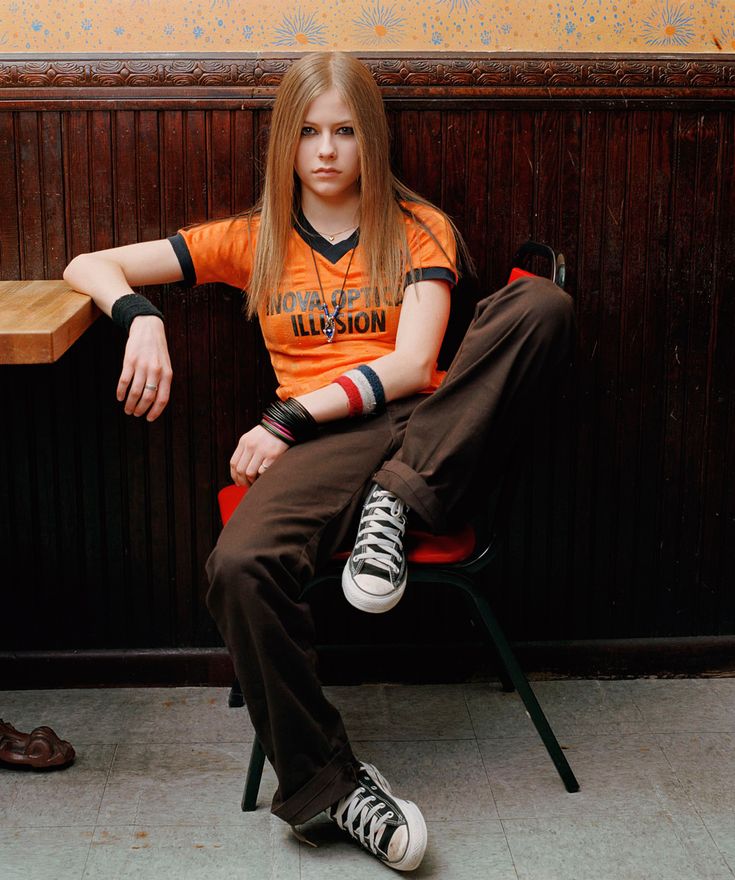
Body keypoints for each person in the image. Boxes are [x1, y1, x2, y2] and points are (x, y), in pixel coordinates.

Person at [64, 51, 574, 872]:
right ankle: (326, 787)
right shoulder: (251, 239)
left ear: (371, 140)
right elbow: (87, 264)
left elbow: (412, 366)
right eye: (308, 132)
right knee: (236, 566)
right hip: (329, 451)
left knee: (540, 305)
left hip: (425, 424)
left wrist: (286, 413)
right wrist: (141, 318)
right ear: (285, 145)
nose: (327, 150)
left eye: (344, 131)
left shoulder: (417, 228)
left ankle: (395, 502)